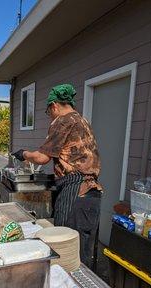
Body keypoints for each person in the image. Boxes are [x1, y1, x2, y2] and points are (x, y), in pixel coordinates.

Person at [12, 83, 102, 269]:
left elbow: (42, 158)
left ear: (54, 106)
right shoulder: (83, 121)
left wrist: (23, 154)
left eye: (49, 112)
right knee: (83, 252)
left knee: (65, 252)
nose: (50, 116)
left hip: (75, 192)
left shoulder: (63, 121)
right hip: (92, 194)